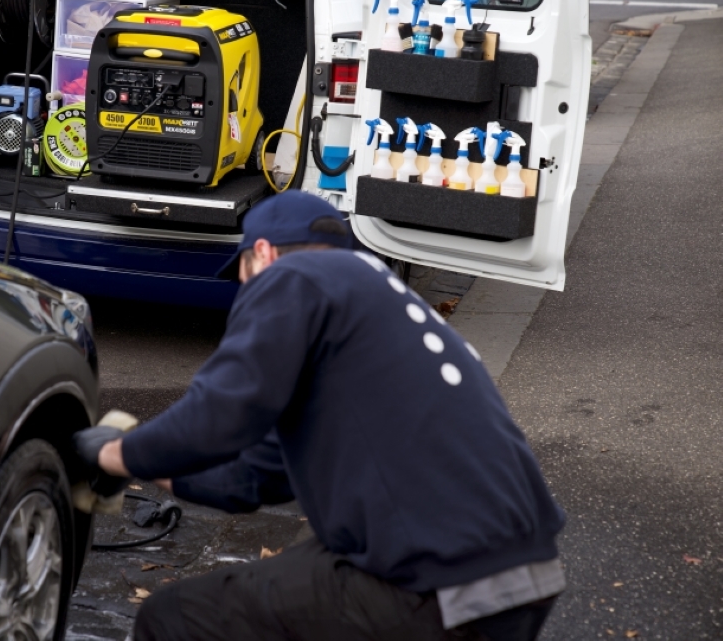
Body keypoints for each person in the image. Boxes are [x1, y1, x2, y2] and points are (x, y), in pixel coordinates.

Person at [74, 190, 566, 641]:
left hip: (437, 582)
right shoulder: (372, 301)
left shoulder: (294, 277)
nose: (243, 287)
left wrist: (114, 454)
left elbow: (222, 413)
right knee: (298, 573)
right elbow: (254, 477)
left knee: (174, 617)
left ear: (261, 252)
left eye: (241, 271)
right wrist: (146, 465)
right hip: (522, 575)